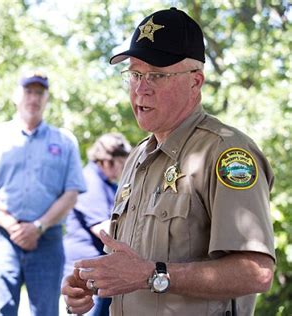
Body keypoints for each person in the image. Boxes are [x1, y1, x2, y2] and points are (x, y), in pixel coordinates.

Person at [62, 7, 275, 316]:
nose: (140, 88)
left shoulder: (226, 153)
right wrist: (89, 283)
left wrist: (153, 274)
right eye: (135, 74)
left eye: (157, 75)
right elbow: (127, 265)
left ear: (195, 81)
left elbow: (256, 272)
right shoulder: (137, 157)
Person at [0, 71, 86, 316]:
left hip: (47, 239)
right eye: (28, 91)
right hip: (2, 238)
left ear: (47, 98)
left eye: (39, 93)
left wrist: (38, 226)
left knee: (46, 311)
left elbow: (71, 193)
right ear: (16, 95)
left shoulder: (64, 141)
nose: (34, 98)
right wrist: (13, 226)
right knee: (1, 310)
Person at [63, 133, 131, 316]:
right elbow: (104, 230)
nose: (124, 170)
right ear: (108, 161)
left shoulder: (107, 183)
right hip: (85, 268)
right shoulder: (90, 181)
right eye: (122, 164)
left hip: (98, 266)